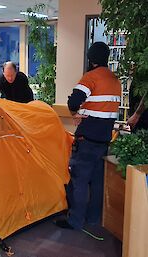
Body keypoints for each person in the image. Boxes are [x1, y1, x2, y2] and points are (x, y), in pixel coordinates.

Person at [55, 42, 121, 230]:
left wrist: (76, 112)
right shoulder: (115, 80)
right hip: (104, 140)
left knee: (79, 180)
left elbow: (74, 100)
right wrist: (85, 111)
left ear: (91, 59)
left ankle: (75, 221)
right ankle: (93, 219)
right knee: (98, 182)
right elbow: (101, 106)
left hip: (87, 140)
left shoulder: (91, 77)